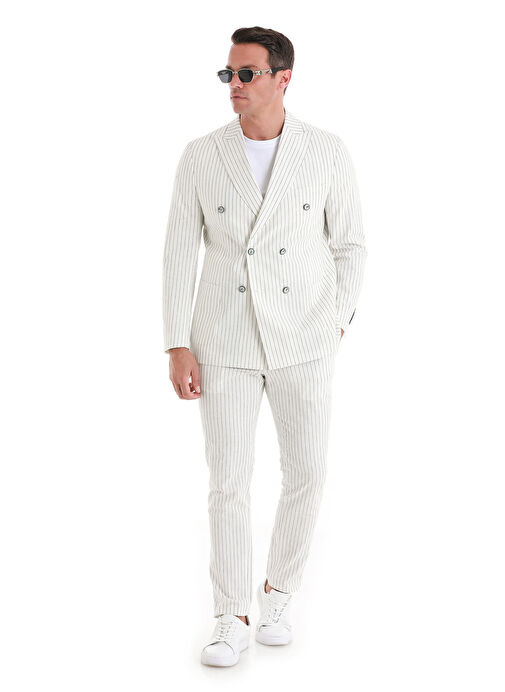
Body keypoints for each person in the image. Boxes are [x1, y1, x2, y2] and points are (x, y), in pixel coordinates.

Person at [162, 25, 367, 667]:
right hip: (223, 336)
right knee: (228, 480)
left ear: (283, 78)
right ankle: (231, 615)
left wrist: (336, 322)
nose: (235, 85)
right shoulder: (202, 155)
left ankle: (278, 593)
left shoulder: (326, 151)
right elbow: (178, 252)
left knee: (307, 470)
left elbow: (351, 245)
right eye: (229, 74)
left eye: (247, 73)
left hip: (305, 336)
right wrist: (176, 343)